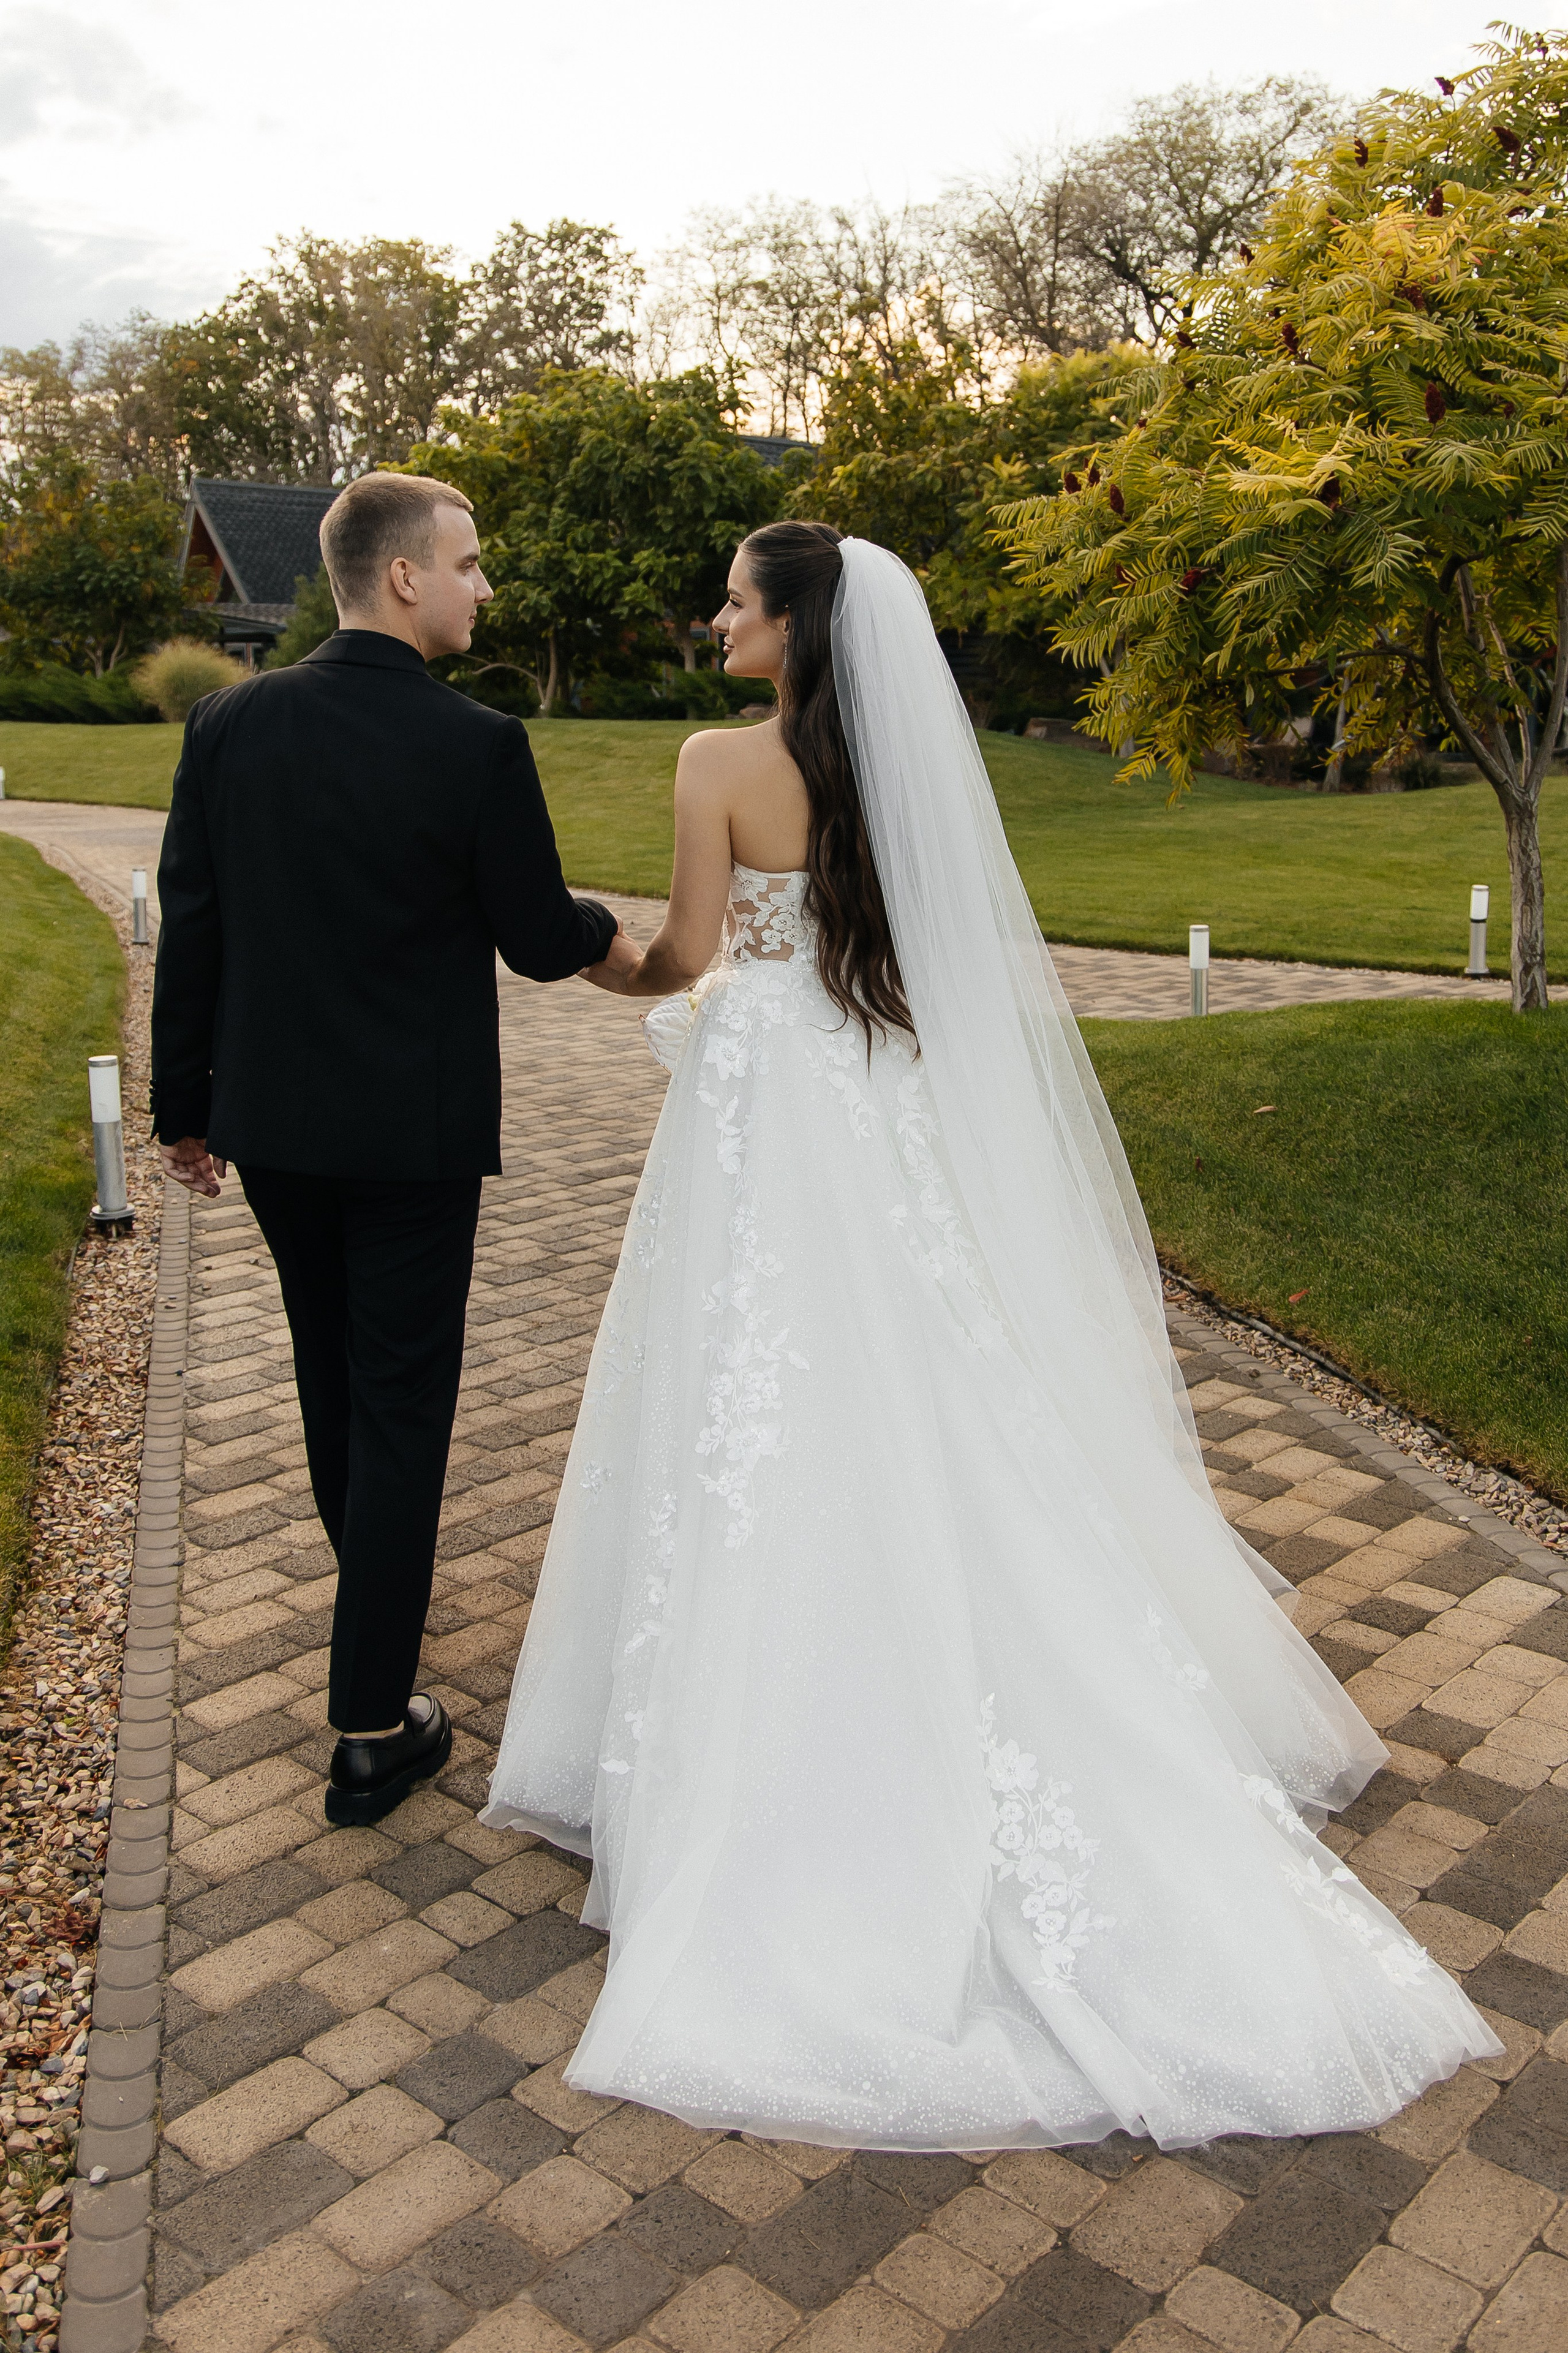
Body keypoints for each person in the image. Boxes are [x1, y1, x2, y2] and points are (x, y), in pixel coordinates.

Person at [484, 519, 1499, 2152]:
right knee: (925, 1384)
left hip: (762, 1137)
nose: (716, 616)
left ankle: (760, 1761)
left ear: (797, 627)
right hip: (874, 1121)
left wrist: (592, 955)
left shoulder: (714, 763)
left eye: (738, 600)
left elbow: (683, 957)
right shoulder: (900, 779)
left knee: (749, 1402)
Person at [151, 472, 637, 1826]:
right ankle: (370, 1721)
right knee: (403, 1404)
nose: (486, 587)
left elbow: (194, 927)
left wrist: (179, 1106)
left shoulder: (228, 723)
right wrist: (617, 933)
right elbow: (538, 938)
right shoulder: (475, 743)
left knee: (333, 1370)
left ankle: (376, 1608)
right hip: (410, 1139)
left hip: (275, 1127)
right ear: (404, 577)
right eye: (471, 564)